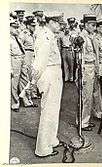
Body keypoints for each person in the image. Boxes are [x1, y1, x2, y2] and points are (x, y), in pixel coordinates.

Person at [30, 12, 64, 157]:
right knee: (48, 111)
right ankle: (43, 148)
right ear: (49, 22)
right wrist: (33, 81)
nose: (59, 25)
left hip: (54, 73)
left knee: (54, 110)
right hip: (49, 74)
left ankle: (51, 139)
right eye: (57, 22)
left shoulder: (50, 35)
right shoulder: (45, 37)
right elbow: (39, 63)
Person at [76, 14, 102, 131]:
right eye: (92, 25)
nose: (94, 27)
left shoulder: (91, 36)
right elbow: (80, 58)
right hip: (86, 68)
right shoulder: (82, 38)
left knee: (90, 96)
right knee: (85, 97)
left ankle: (85, 119)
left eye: (95, 25)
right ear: (86, 25)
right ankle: (82, 122)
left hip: (92, 68)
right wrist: (82, 75)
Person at [20, 16, 39, 99]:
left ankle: (33, 93)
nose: (34, 27)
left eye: (35, 25)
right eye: (32, 26)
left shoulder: (33, 34)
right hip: (27, 53)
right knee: (27, 75)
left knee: (34, 74)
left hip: (34, 53)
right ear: (28, 26)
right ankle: (27, 96)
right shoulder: (24, 34)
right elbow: (20, 46)